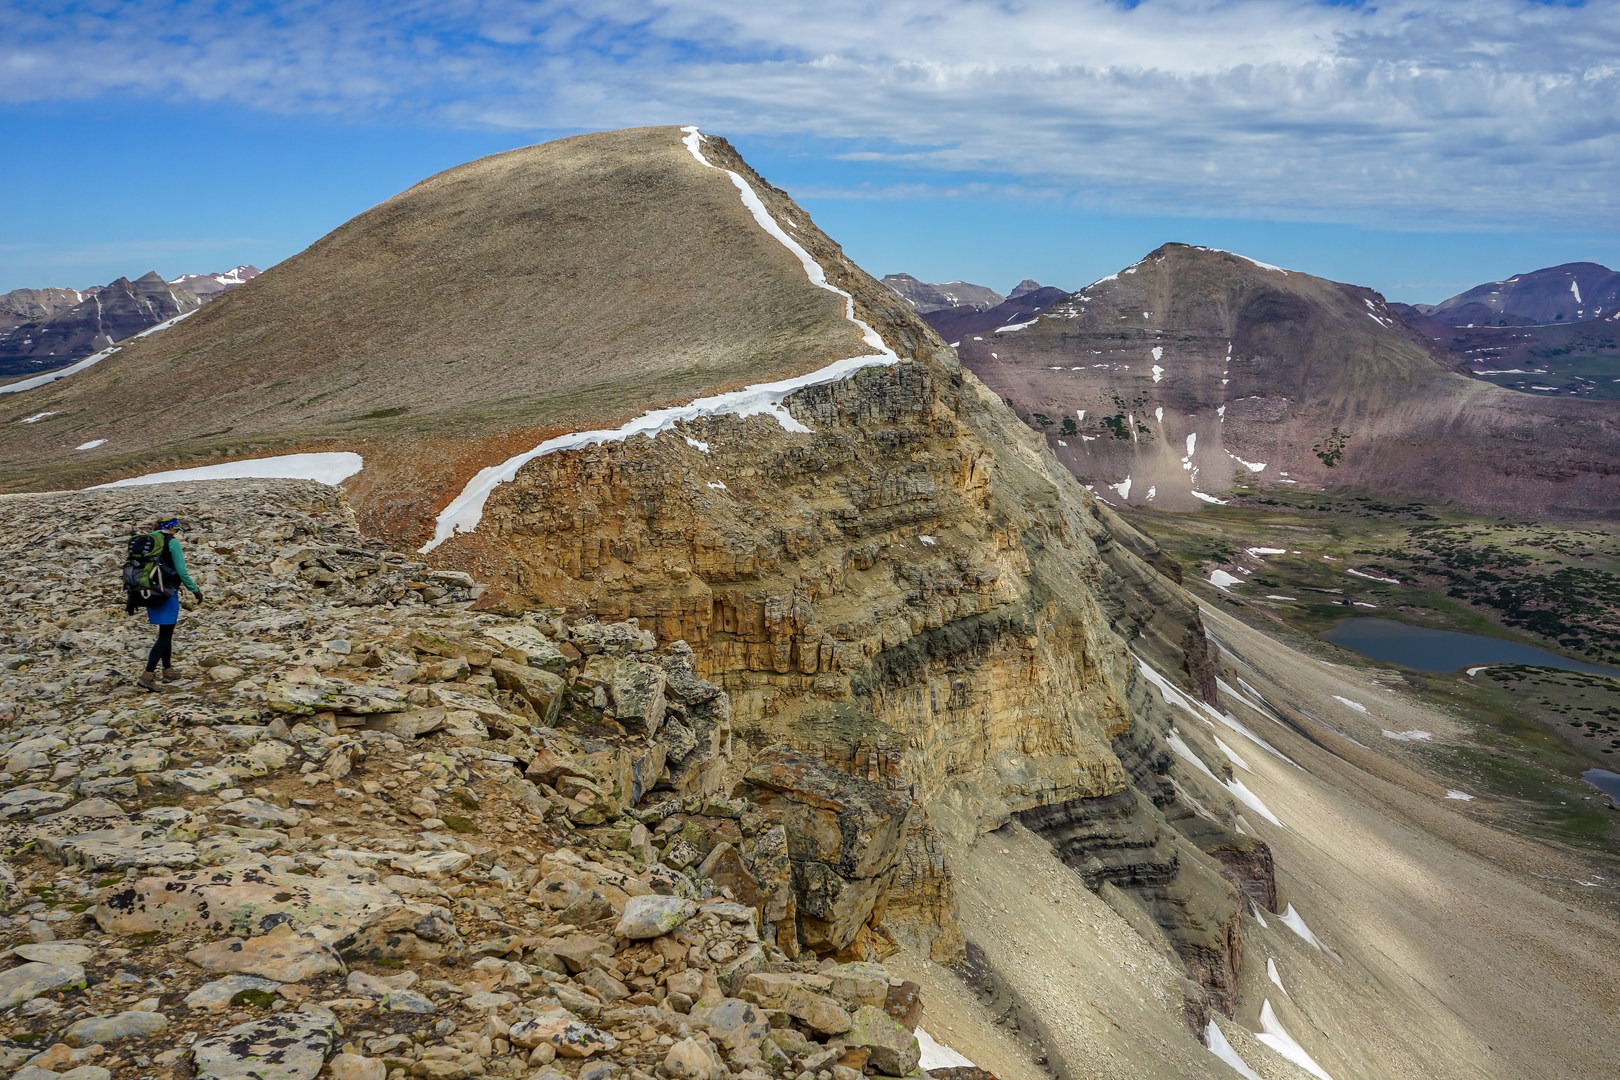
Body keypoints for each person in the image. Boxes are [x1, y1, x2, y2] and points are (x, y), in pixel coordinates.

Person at [137, 517, 203, 689]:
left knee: (165, 631)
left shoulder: (149, 540)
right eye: (177, 529)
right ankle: (147, 675)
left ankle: (168, 670)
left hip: (149, 592)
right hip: (167, 592)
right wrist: (194, 589)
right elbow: (181, 571)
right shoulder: (172, 543)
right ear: (173, 529)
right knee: (165, 635)